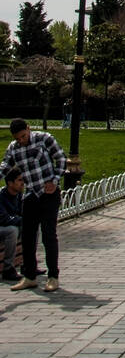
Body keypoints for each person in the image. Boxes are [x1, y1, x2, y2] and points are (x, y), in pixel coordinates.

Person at [0, 120, 67, 292]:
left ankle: (53, 276)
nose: (21, 140)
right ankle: (29, 276)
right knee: (28, 236)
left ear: (28, 129)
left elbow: (60, 158)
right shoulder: (14, 148)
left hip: (49, 194)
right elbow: (5, 166)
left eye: (23, 136)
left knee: (48, 235)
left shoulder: (44, 139)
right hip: (31, 194)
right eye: (18, 138)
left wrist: (54, 181)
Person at [0, 166, 24, 281]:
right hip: (2, 227)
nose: (22, 183)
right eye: (19, 180)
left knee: (33, 226)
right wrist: (22, 220)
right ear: (10, 183)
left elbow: (23, 214)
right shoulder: (1, 196)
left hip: (10, 224)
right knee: (12, 230)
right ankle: (8, 269)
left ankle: (28, 264)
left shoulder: (19, 195)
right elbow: (4, 219)